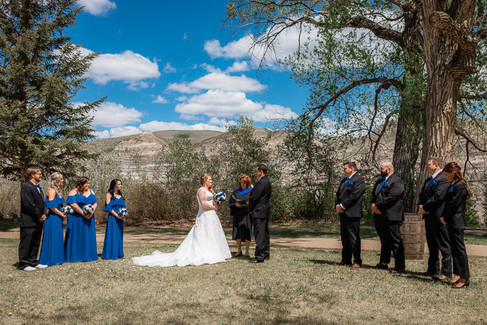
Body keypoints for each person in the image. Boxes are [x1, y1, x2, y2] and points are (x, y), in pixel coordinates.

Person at [132, 174, 231, 267]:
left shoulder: (210, 190)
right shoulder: (201, 190)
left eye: (211, 180)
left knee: (211, 233)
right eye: (210, 180)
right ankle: (203, 253)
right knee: (204, 233)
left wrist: (217, 203)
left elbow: (210, 202)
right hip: (204, 215)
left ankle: (214, 252)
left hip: (212, 215)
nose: (211, 181)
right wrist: (213, 208)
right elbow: (203, 204)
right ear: (204, 180)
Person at [418, 157, 451, 280]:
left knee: (443, 244)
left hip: (438, 215)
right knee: (432, 244)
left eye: (428, 164)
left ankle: (446, 271)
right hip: (428, 216)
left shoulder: (443, 178)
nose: (426, 166)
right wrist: (420, 205)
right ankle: (432, 269)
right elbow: (422, 194)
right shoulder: (428, 179)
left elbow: (439, 196)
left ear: (436, 165)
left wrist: (426, 206)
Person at [370, 161, 406, 273]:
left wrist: (378, 206)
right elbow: (373, 195)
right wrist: (373, 204)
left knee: (395, 241)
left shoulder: (397, 181)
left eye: (382, 169)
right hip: (379, 216)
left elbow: (393, 196)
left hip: (391, 215)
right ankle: (384, 262)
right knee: (384, 240)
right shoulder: (380, 181)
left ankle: (399, 267)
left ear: (389, 169)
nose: (380, 170)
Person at [441, 162, 471, 288]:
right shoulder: (453, 184)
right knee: (454, 249)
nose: (445, 177)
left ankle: (464, 277)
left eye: (447, 174)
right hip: (451, 222)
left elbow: (454, 204)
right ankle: (457, 274)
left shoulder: (460, 186)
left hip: (456, 222)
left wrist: (445, 217)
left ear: (453, 173)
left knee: (459, 250)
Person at [335, 162, 365, 269]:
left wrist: (343, 206)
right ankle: (346, 259)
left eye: (345, 168)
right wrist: (337, 206)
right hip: (343, 213)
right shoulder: (344, 181)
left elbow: (355, 195)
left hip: (352, 213)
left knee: (354, 238)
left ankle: (357, 260)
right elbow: (338, 194)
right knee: (345, 237)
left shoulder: (359, 180)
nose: (344, 170)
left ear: (352, 168)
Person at [19, 166, 47, 271]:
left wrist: (44, 214)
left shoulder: (38, 187)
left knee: (35, 241)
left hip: (39, 220)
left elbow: (42, 203)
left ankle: (33, 261)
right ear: (32, 175)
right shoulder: (26, 187)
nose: (41, 175)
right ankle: (24, 264)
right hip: (29, 220)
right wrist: (39, 215)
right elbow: (29, 204)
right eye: (39, 174)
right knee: (26, 242)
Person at [65, 177, 98, 262]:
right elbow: (73, 204)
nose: (88, 185)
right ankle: (75, 255)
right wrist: (83, 214)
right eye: (86, 183)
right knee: (76, 234)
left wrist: (91, 212)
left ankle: (88, 254)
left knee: (87, 235)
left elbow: (95, 203)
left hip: (89, 217)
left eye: (88, 183)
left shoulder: (91, 191)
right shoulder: (73, 192)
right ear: (81, 184)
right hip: (76, 217)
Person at [38, 172, 66, 267]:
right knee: (52, 237)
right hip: (53, 218)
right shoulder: (52, 191)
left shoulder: (57, 191)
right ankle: (49, 259)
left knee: (57, 237)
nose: (63, 181)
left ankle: (57, 258)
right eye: (61, 179)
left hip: (57, 218)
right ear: (57, 180)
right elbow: (52, 207)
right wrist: (62, 214)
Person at [248, 164, 272, 263]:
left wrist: (250, 208)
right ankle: (266, 253)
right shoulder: (267, 181)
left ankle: (259, 256)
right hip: (265, 209)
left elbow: (254, 197)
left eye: (257, 171)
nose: (256, 173)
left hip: (259, 210)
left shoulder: (261, 182)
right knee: (265, 233)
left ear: (261, 171)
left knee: (260, 233)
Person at [101, 179, 126, 260]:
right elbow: (109, 208)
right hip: (112, 217)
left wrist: (123, 216)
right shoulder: (109, 195)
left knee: (119, 234)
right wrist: (117, 215)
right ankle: (110, 253)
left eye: (121, 184)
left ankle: (118, 253)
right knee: (111, 234)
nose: (120, 186)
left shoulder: (121, 195)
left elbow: (123, 207)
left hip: (120, 218)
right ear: (114, 185)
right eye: (119, 184)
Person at [229, 174, 252, 257]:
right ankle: (239, 251)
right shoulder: (236, 192)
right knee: (237, 232)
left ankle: (247, 252)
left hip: (246, 215)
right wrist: (235, 204)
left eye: (245, 182)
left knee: (247, 231)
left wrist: (249, 204)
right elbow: (230, 203)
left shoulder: (251, 191)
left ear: (248, 183)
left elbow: (255, 203)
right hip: (238, 214)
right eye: (242, 182)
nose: (243, 184)